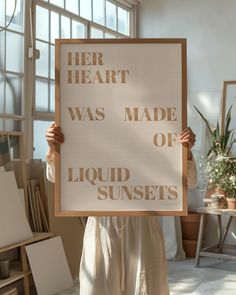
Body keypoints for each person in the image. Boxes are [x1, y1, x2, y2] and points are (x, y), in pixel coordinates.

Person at [45, 123, 197, 295]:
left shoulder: (154, 126)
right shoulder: (90, 126)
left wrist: (186, 151)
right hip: (102, 225)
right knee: (99, 286)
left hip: (143, 225)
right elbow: (55, 177)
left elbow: (189, 181)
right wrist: (53, 148)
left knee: (144, 287)